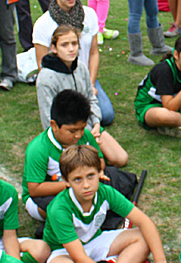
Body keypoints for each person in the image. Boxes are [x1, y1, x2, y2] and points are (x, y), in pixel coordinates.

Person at [43, 144, 166, 263]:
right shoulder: (59, 209)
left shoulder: (106, 192)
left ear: (100, 173)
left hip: (95, 242)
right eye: (77, 179)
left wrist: (161, 262)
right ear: (67, 181)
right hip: (64, 252)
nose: (86, 185)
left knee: (144, 237)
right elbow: (79, 257)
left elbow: (144, 222)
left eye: (90, 176)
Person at [22, 90, 128, 221]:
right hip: (51, 192)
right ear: (54, 126)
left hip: (81, 185)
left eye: (82, 128)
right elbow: (35, 189)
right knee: (60, 209)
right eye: (72, 131)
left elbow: (100, 160)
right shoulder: (38, 149)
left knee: (115, 180)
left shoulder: (86, 136)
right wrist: (71, 185)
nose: (78, 135)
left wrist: (98, 171)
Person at [33, 0, 115, 126]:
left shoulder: (89, 14)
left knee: (106, 116)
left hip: (84, 76)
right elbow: (41, 64)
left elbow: (93, 53)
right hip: (58, 78)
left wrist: (90, 84)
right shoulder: (43, 24)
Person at [36, 25, 102, 131]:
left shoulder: (81, 67)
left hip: (87, 126)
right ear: (54, 48)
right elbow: (47, 116)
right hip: (65, 135)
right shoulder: (46, 78)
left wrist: (96, 123)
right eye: (64, 45)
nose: (71, 49)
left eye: (74, 43)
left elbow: (90, 97)